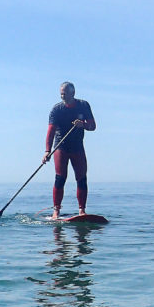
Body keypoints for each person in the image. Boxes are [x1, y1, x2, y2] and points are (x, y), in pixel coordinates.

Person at [43, 82, 96, 219]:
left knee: (82, 178)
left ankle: (82, 210)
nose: (62, 96)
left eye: (65, 93)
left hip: (77, 146)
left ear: (73, 93)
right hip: (61, 146)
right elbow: (51, 131)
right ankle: (56, 211)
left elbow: (92, 126)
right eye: (61, 93)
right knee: (60, 177)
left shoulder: (83, 106)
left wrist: (82, 125)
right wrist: (47, 151)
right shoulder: (57, 109)